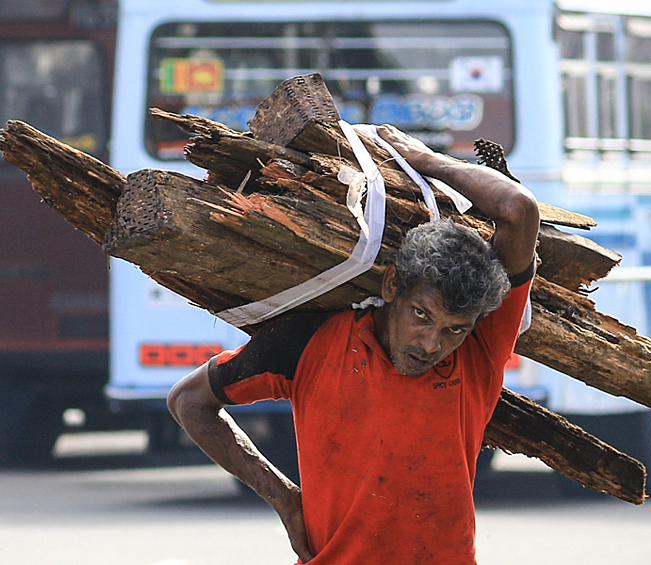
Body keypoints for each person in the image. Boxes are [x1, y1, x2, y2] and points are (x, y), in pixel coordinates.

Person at [167, 124, 540, 564]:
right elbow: (189, 401)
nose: (432, 343)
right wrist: (285, 499)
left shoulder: (480, 348)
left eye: (453, 328)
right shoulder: (308, 343)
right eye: (421, 315)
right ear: (392, 285)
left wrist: (427, 161)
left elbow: (518, 210)